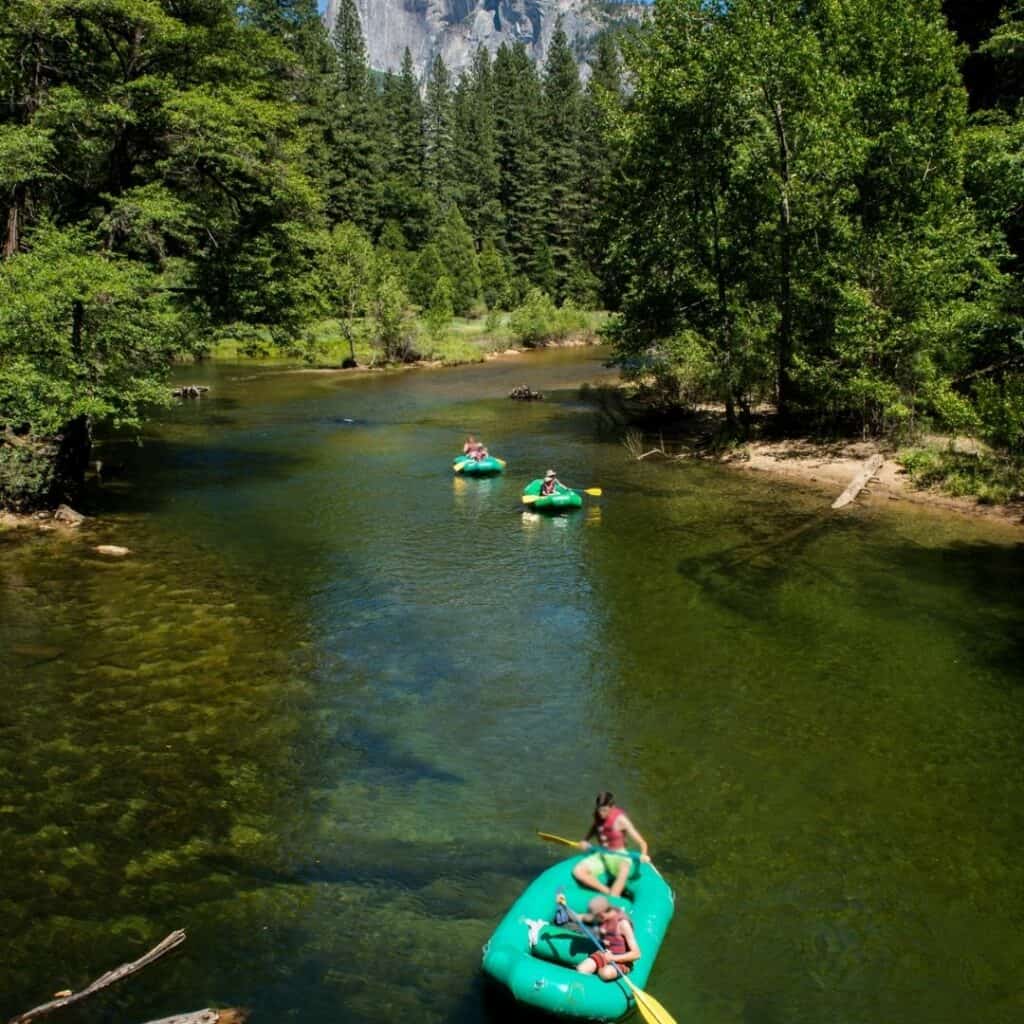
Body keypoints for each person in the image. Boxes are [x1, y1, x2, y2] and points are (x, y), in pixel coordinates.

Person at [572, 791, 650, 897]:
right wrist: (585, 840)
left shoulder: (621, 820)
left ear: (612, 807)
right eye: (599, 810)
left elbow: (642, 842)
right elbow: (595, 828)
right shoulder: (598, 815)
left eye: (605, 810)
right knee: (578, 871)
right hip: (602, 854)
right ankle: (607, 892)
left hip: (620, 857)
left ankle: (614, 898)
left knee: (624, 870)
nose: (601, 813)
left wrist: (644, 854)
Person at [573, 895, 642, 981]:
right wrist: (565, 907)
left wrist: (612, 958)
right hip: (605, 953)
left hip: (622, 961)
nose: (594, 919)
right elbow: (583, 917)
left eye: (595, 916)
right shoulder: (603, 917)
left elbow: (637, 954)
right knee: (581, 969)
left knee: (605, 973)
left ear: (601, 915)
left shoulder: (622, 924)